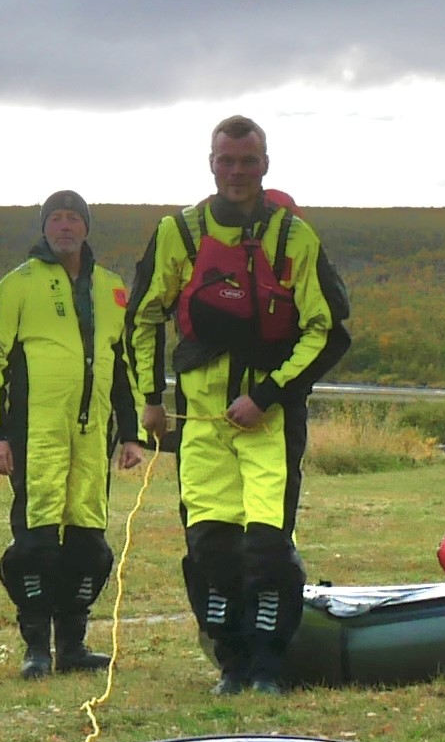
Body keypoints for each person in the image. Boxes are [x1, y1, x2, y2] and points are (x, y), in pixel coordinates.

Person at [121, 116, 349, 697]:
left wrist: (268, 394)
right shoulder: (181, 233)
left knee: (267, 548)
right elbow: (144, 316)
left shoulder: (294, 236)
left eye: (248, 161)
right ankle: (231, 663)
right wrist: (149, 399)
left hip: (269, 421)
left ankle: (270, 666)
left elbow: (327, 330)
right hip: (201, 423)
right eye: (227, 161)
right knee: (211, 549)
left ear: (265, 164)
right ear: (212, 163)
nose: (238, 172)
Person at [0, 188, 140, 677]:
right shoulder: (17, 285)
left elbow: (124, 364)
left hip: (91, 437)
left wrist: (129, 433)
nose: (65, 227)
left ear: (86, 228)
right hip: (35, 434)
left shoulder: (111, 289)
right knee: (36, 544)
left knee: (89, 544)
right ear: (43, 228)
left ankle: (72, 645)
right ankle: (36, 649)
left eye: (74, 219)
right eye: (56, 219)